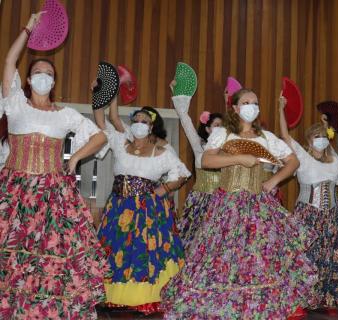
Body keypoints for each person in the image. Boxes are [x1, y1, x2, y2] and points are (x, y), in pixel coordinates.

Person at [161, 88, 318, 319]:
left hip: (258, 207)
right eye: (245, 102)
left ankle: (257, 304)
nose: (251, 106)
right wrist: (238, 158)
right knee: (222, 256)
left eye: (255, 102)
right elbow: (206, 160)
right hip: (228, 206)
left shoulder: (267, 138)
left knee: (259, 257)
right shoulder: (224, 134)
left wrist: (273, 180)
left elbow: (292, 162)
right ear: (235, 108)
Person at [0, 13, 109, 319]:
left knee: (51, 256)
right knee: (12, 259)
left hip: (53, 194)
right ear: (29, 78)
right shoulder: (16, 103)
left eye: (48, 72)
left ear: (54, 81)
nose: (43, 76)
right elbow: (9, 62)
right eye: (37, 71)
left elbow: (100, 137)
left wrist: (74, 158)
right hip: (14, 192)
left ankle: (45, 311)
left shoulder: (66, 115)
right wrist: (27, 29)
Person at [93, 93, 191, 314]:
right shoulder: (120, 142)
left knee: (142, 254)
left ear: (151, 126)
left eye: (144, 121)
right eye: (135, 120)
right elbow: (103, 120)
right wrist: (103, 95)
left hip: (148, 211)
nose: (139, 124)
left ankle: (145, 297)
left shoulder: (162, 151)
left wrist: (164, 188)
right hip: (118, 208)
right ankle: (112, 295)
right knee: (117, 252)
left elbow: (182, 173)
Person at [279, 96, 338, 314]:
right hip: (307, 215)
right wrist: (280, 109)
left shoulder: (335, 161)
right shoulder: (302, 156)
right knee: (305, 258)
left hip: (332, 216)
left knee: (331, 258)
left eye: (323, 136)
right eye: (316, 136)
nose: (320, 139)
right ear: (309, 140)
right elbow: (284, 135)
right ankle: (300, 301)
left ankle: (327, 299)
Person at [170, 81, 223, 251]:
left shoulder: (229, 149)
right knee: (193, 241)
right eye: (217, 126)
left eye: (223, 127)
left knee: (218, 243)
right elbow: (185, 119)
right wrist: (177, 94)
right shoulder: (199, 145)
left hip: (221, 202)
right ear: (207, 129)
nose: (220, 129)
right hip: (199, 200)